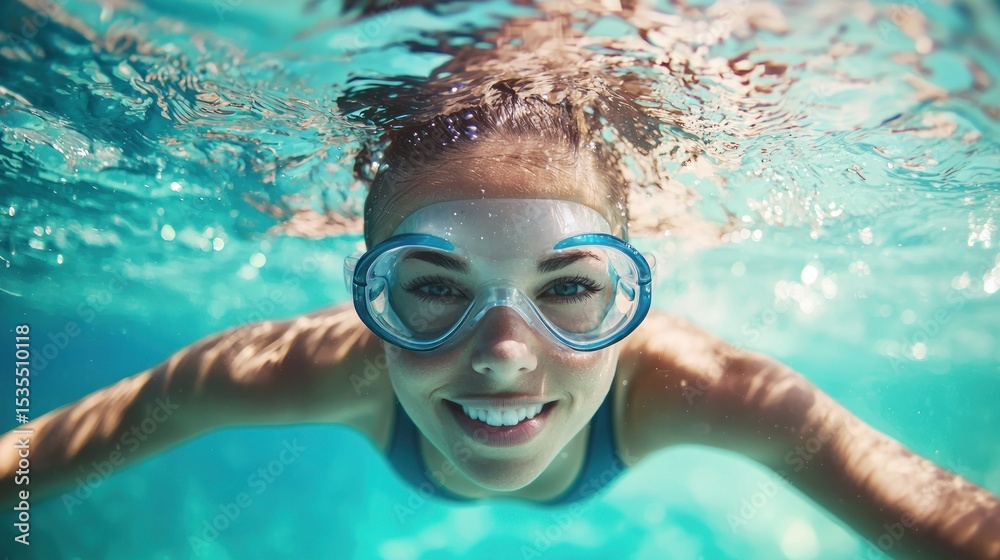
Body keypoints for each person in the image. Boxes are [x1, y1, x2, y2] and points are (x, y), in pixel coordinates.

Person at [2, 85, 999, 559]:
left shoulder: (708, 387)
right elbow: (34, 459)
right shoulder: (291, 367)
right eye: (432, 286)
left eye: (569, 287)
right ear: (368, 294)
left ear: (629, 297)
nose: (503, 356)